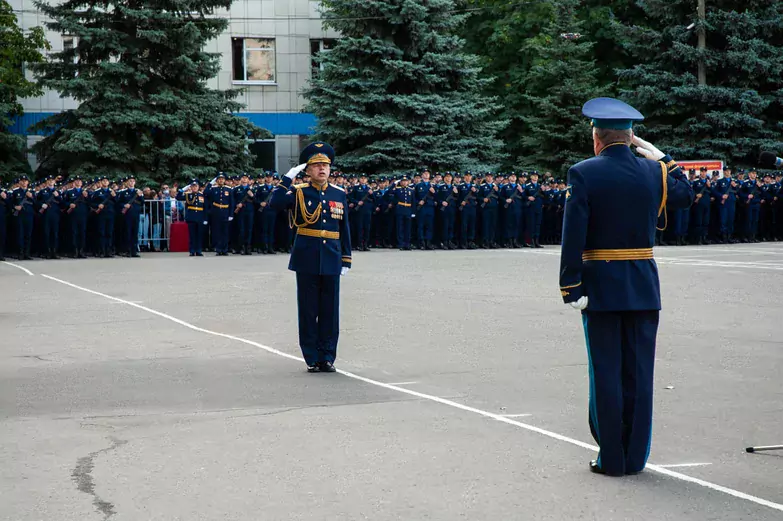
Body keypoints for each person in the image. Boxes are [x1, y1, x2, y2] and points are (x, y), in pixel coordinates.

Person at [559, 97, 693, 477]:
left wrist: (571, 285)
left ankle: (612, 459)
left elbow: (573, 234)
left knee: (606, 373)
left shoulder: (583, 173)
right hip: (643, 285)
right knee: (639, 374)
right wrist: (663, 158)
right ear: (632, 137)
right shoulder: (654, 172)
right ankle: (635, 458)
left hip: (601, 287)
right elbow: (686, 195)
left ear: (597, 138)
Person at [269, 142, 352, 373]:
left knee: (330, 311)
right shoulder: (299, 192)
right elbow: (274, 203)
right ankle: (312, 357)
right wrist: (288, 179)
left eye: (325, 165)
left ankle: (327, 356)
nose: (322, 169)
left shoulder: (339, 194)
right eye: (316, 165)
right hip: (306, 256)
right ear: (307, 170)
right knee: (308, 310)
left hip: (332, 257)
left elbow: (344, 228)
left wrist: (346, 258)